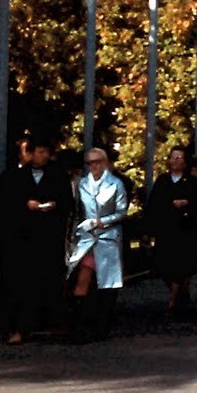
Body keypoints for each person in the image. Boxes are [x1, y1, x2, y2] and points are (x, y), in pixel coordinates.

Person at [0, 136, 73, 345]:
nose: (43, 156)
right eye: (39, 152)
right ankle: (19, 327)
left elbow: (68, 203)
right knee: (20, 284)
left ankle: (50, 324)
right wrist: (25, 206)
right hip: (22, 239)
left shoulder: (57, 175)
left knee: (49, 280)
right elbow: (4, 205)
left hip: (48, 238)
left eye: (46, 152)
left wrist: (54, 205)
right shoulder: (15, 177)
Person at [63, 146, 130, 342]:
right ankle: (79, 326)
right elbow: (77, 212)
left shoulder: (116, 184)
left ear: (105, 163)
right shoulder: (82, 184)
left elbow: (122, 212)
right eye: (89, 163)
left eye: (97, 162)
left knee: (107, 284)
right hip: (86, 238)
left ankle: (102, 326)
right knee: (82, 278)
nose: (93, 166)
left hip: (107, 237)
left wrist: (101, 222)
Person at [147, 146, 197, 319]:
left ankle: (174, 300)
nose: (176, 161)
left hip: (186, 231)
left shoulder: (192, 182)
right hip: (166, 231)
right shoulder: (163, 181)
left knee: (183, 265)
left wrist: (187, 203)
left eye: (180, 158)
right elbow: (154, 204)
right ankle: (179, 293)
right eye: (174, 157)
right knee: (164, 265)